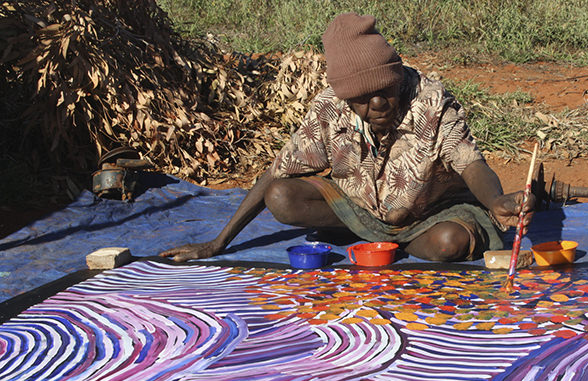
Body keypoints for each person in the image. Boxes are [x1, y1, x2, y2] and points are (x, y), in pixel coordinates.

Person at [160, 12, 533, 263]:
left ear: (397, 76)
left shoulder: (430, 100)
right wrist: (217, 243)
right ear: (344, 98)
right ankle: (372, 237)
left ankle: (393, 243)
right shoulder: (329, 108)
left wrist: (496, 199)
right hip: (358, 208)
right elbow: (277, 172)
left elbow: (471, 163)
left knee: (451, 244)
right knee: (281, 196)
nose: (376, 104)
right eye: (361, 100)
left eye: (385, 90)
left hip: (430, 213)